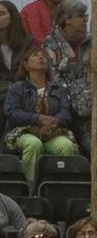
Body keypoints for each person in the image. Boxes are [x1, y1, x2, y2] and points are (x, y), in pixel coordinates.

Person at [6, 43, 79, 185]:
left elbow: (66, 113)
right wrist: (38, 119)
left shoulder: (59, 89)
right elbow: (12, 113)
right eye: (35, 55)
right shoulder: (16, 88)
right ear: (26, 65)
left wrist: (53, 123)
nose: (41, 57)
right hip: (23, 132)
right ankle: (30, 187)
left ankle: (60, 187)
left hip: (53, 132)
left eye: (44, 56)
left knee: (66, 146)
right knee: (33, 144)